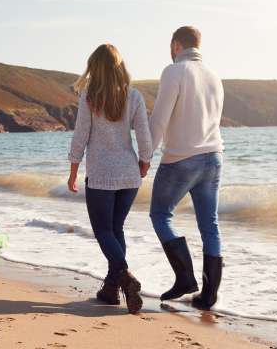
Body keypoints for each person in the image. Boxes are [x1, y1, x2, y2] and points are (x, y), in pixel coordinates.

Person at [68, 44, 152, 314]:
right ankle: (111, 290)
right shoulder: (134, 96)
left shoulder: (90, 97)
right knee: (116, 231)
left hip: (101, 175)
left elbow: (81, 135)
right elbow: (144, 135)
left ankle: (125, 277)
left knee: (104, 232)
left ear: (95, 67)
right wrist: (145, 162)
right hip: (128, 174)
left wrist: (73, 170)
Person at [148, 26, 224, 310]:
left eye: (170, 46)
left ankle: (185, 278)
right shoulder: (214, 76)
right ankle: (208, 296)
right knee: (210, 225)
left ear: (176, 45)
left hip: (181, 158)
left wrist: (145, 155)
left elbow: (159, 120)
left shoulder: (174, 71)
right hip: (214, 157)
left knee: (159, 214)